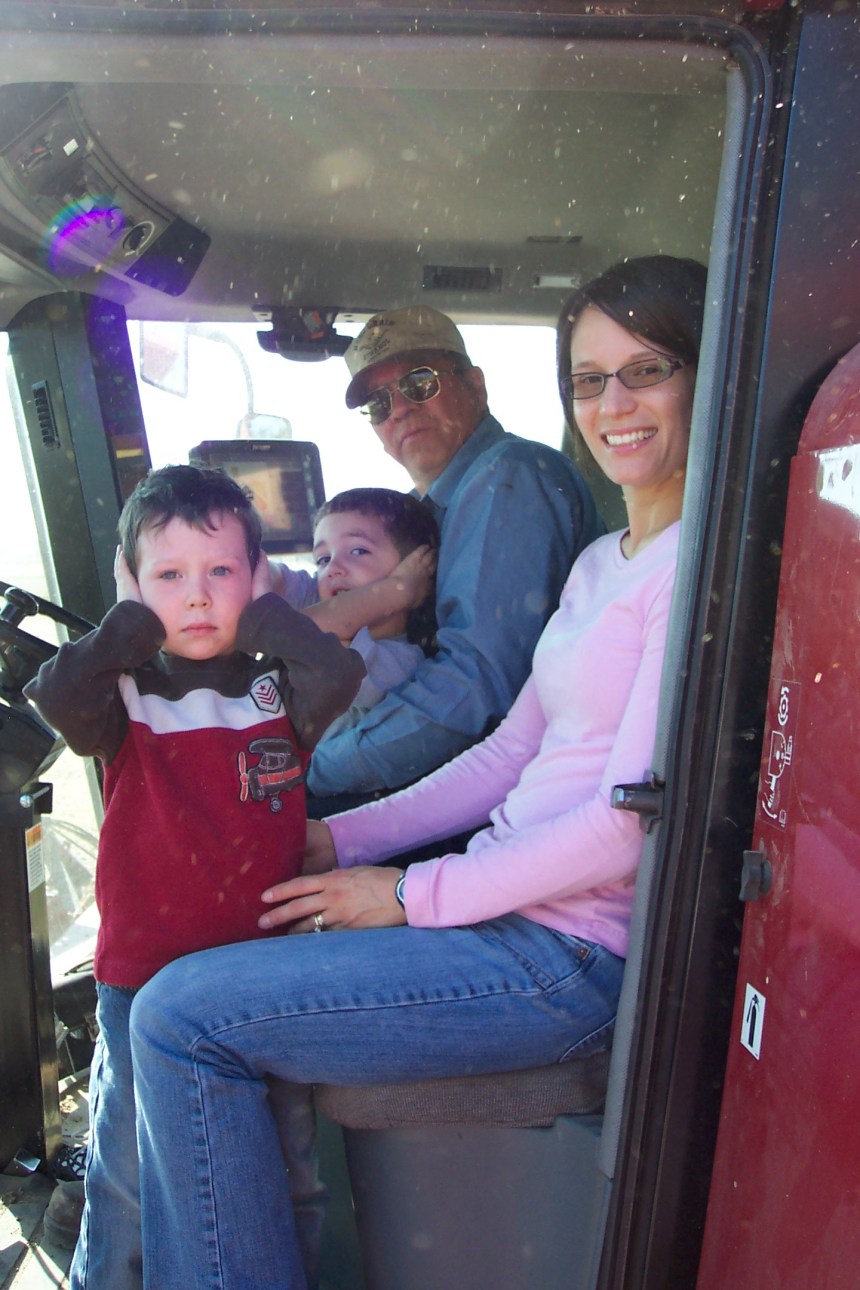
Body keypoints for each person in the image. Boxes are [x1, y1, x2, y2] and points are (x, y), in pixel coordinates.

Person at [129, 256, 707, 1290]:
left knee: (176, 1020)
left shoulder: (688, 565)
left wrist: (402, 893)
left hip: (564, 959)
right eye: (588, 380)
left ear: (699, 376)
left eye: (646, 370)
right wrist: (333, 841)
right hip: (506, 911)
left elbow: (629, 823)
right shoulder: (603, 562)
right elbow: (507, 751)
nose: (612, 405)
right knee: (205, 954)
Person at [24, 464, 364, 1290]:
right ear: (134, 586)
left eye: (221, 572)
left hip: (265, 980)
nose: (199, 596)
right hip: (145, 984)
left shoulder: (274, 687)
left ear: (257, 578)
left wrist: (269, 602)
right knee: (129, 1179)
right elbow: (53, 693)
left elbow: (339, 673)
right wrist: (128, 617)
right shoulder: (125, 694)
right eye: (169, 577)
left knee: (292, 1173)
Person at [299, 304, 605, 807]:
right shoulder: (430, 509)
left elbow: (477, 687)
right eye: (378, 403)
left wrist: (313, 770)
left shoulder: (506, 478)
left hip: (511, 793)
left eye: (420, 383)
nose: (398, 409)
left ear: (476, 386)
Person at [276, 487, 439, 742]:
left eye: (358, 551)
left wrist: (397, 590)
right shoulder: (337, 623)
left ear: (415, 575)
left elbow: (301, 630)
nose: (333, 568)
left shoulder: (397, 663)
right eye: (322, 559)